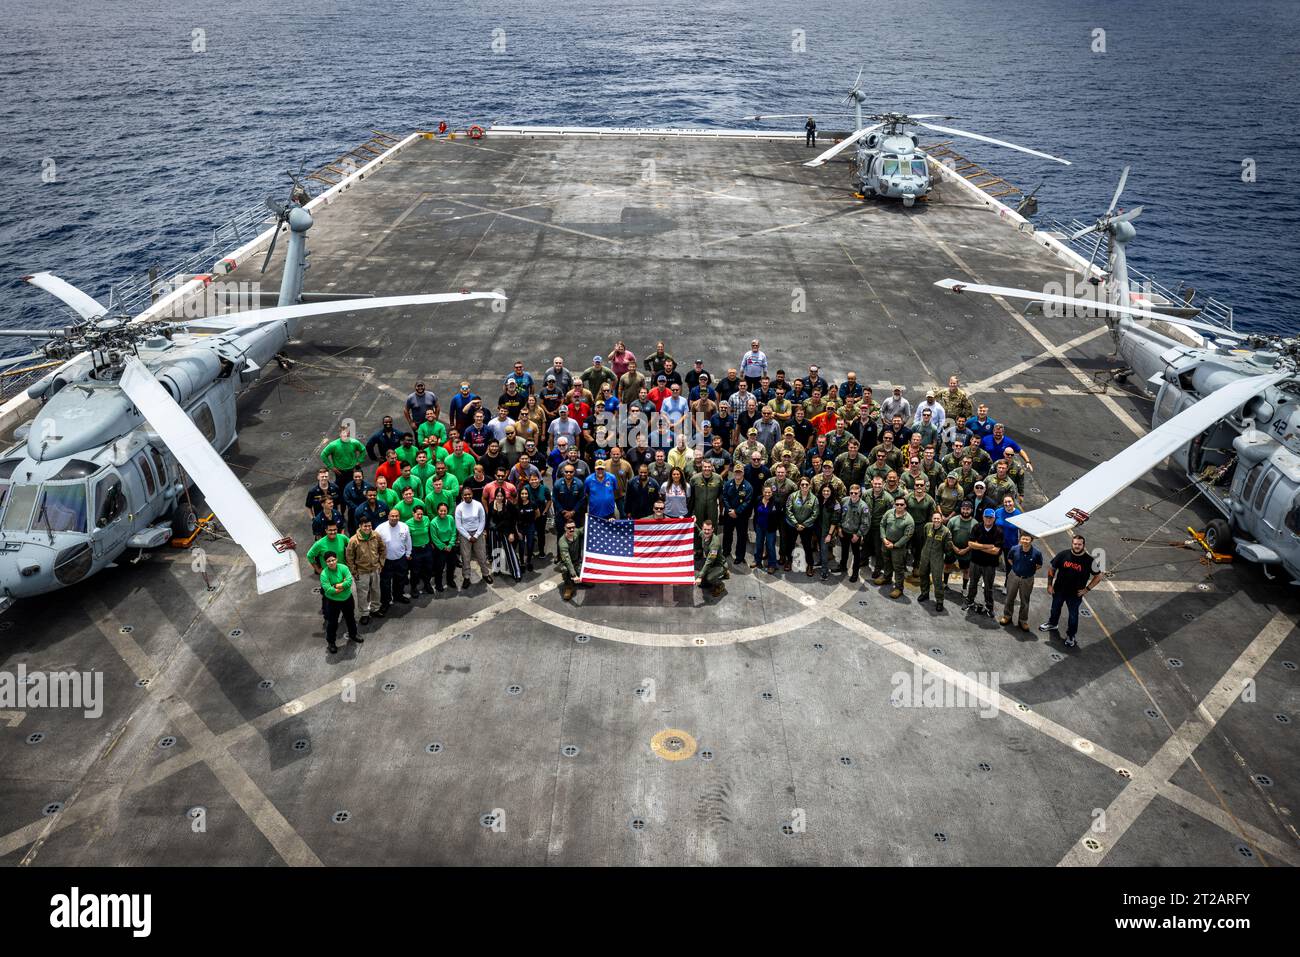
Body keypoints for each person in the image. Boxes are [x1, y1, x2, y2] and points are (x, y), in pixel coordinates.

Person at [1039, 534, 1103, 647]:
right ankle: (1053, 624)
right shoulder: (1063, 554)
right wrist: (1049, 585)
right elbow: (1052, 568)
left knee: (1073, 616)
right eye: (1075, 544)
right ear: (1072, 544)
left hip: (1075, 595)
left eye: (1079, 544)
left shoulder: (1089, 560)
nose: (1077, 546)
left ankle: (1071, 635)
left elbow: (1098, 576)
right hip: (1059, 590)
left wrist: (1087, 589)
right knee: (1055, 609)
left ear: (1083, 545)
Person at [345, 518, 385, 624]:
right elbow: (349, 557)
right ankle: (364, 613)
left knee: (376, 590)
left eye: (369, 526)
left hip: (375, 569)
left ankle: (375, 609)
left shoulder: (376, 536)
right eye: (365, 526)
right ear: (360, 526)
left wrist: (381, 563)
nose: (368, 528)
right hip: (361, 572)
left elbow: (382, 549)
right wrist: (354, 572)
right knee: (363, 593)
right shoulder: (354, 540)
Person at [1000, 532, 1043, 631]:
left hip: (1027, 579)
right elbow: (1010, 559)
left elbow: (1039, 565)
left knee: (1025, 600)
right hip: (1014, 576)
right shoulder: (1014, 549)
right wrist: (1017, 568)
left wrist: (1027, 571)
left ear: (1031, 540)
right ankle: (1007, 616)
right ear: (1020, 539)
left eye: (1027, 539)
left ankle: (1023, 620)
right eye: (1023, 539)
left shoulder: (1037, 553)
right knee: (1010, 597)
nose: (1025, 541)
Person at [964, 509, 1003, 616]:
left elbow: (996, 551)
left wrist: (978, 546)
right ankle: (970, 601)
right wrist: (988, 546)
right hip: (975, 562)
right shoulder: (977, 527)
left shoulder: (998, 531)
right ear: (983, 517)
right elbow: (970, 544)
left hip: (990, 565)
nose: (988, 519)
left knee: (988, 588)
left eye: (991, 517)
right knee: (972, 584)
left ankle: (989, 606)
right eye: (986, 517)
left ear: (994, 518)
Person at [455, 485, 493, 588]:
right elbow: (458, 525)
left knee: (481, 555)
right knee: (465, 557)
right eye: (465, 494)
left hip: (478, 534)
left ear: (472, 494)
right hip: (465, 535)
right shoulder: (459, 508)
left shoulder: (478, 505)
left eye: (469, 494)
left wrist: (476, 535)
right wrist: (468, 537)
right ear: (462, 496)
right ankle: (466, 577)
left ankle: (485, 574)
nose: (467, 496)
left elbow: (482, 521)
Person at [376, 508, 412, 611]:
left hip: (400, 559)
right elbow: (376, 545)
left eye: (396, 516)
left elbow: (408, 540)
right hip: (386, 561)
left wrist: (408, 553)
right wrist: (378, 560)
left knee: (400, 580)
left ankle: (398, 596)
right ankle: (385, 602)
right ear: (388, 516)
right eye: (392, 516)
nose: (394, 518)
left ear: (399, 517)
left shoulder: (404, 526)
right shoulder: (380, 528)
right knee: (385, 583)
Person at [878, 497, 915, 599]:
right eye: (897, 504)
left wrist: (894, 545)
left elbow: (907, 536)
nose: (899, 506)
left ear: (905, 505)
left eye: (901, 505)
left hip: (898, 547)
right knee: (886, 561)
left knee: (898, 568)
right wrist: (884, 538)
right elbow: (882, 524)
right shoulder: (889, 513)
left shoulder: (909, 520)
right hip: (886, 542)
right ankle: (887, 578)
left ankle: (899, 588)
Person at [320, 554, 358, 654]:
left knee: (350, 618)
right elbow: (328, 590)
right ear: (326, 562)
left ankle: (353, 634)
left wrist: (336, 585)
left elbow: (349, 582)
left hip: (347, 599)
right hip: (333, 602)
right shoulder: (324, 574)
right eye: (328, 561)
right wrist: (343, 585)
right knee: (332, 622)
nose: (331, 562)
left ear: (336, 559)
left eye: (333, 560)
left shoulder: (344, 568)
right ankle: (331, 642)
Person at [916, 511, 954, 609]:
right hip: (925, 555)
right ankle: (924, 593)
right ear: (932, 519)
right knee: (923, 574)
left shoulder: (946, 532)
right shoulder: (927, 526)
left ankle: (939, 601)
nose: (936, 520)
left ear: (941, 519)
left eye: (938, 518)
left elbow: (947, 548)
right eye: (934, 518)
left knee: (937, 579)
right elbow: (924, 538)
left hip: (937, 557)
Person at [785, 477, 820, 577]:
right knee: (790, 544)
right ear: (799, 485)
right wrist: (796, 524)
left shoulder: (814, 499)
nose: (804, 486)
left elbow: (815, 514)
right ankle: (789, 561)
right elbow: (788, 510)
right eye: (802, 484)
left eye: (806, 484)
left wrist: (804, 525)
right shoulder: (793, 496)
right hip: (793, 525)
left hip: (806, 527)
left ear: (810, 485)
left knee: (807, 546)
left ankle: (810, 565)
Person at [487, 487, 523, 582]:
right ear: (495, 496)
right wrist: (486, 531)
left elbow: (513, 519)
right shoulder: (491, 505)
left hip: (506, 531)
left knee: (510, 552)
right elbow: (489, 519)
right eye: (498, 496)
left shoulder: (509, 505)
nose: (499, 498)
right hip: (494, 531)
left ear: (504, 496)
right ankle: (497, 569)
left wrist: (512, 533)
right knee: (495, 550)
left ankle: (516, 573)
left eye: (501, 496)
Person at [721, 463, 754, 564]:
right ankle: (726, 551)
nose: (738, 474)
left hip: (741, 516)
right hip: (729, 514)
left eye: (740, 472)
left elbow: (747, 502)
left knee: (741, 536)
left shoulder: (748, 487)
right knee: (727, 534)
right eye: (736, 472)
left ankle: (739, 556)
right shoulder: (728, 484)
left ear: (743, 473)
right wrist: (729, 510)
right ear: (733, 472)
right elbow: (725, 497)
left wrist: (737, 511)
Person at [837, 483, 869, 581]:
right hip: (844, 531)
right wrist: (839, 528)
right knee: (844, 550)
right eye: (851, 493)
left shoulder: (863, 506)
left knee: (856, 554)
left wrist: (858, 534)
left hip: (855, 534)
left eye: (856, 493)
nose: (853, 495)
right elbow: (838, 515)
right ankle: (842, 566)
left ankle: (855, 573)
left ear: (860, 493)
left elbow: (865, 523)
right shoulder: (844, 501)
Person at [946, 500, 977, 597]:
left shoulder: (975, 524)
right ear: (961, 509)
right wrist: (954, 547)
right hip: (952, 548)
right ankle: (945, 583)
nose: (965, 511)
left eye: (967, 509)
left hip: (967, 551)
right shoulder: (952, 521)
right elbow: (947, 536)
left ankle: (964, 588)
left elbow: (975, 541)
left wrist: (966, 549)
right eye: (963, 509)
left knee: (966, 570)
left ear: (971, 510)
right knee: (947, 566)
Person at [321, 427, 367, 492]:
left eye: (348, 434)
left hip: (352, 471)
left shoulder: (354, 442)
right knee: (340, 489)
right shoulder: (333, 445)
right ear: (340, 434)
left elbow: (363, 450)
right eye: (344, 434)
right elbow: (323, 455)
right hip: (340, 472)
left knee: (355, 488)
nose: (346, 435)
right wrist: (331, 467)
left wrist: (359, 461)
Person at [428, 502, 459, 593]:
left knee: (452, 565)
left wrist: (450, 544)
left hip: (450, 545)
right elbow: (434, 538)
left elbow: (454, 532)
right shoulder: (433, 522)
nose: (443, 512)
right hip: (440, 547)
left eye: (445, 511)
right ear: (437, 511)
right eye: (441, 511)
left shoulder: (450, 518)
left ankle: (450, 580)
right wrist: (443, 547)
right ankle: (438, 584)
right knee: (439, 567)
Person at [406, 504, 434, 597]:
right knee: (415, 571)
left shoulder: (426, 519)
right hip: (415, 550)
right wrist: (408, 552)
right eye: (418, 514)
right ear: (413, 513)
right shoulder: (407, 523)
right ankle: (413, 588)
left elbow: (430, 532)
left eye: (421, 514)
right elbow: (406, 539)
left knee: (429, 568)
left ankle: (427, 584)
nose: (420, 516)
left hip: (426, 548)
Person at [815, 482, 841, 581]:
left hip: (827, 531)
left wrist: (829, 534)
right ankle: (821, 562)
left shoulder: (836, 504)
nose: (825, 492)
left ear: (831, 492)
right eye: (824, 491)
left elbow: (835, 521)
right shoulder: (819, 500)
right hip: (818, 529)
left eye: (828, 491)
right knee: (821, 549)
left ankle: (824, 571)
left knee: (825, 550)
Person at [696, 519, 727, 598]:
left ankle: (720, 585)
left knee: (709, 578)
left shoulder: (714, 544)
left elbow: (709, 561)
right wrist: (694, 523)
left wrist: (700, 577)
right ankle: (724, 573)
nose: (706, 531)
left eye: (709, 530)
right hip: (712, 562)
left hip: (719, 564)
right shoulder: (704, 534)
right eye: (705, 529)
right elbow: (698, 531)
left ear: (713, 529)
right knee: (702, 583)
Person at [515, 485, 542, 572]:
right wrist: (517, 532)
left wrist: (532, 521)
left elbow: (538, 514)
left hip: (530, 527)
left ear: (528, 494)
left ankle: (529, 562)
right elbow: (513, 520)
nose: (524, 495)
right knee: (522, 546)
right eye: (522, 494)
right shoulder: (516, 505)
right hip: (520, 529)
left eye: (526, 493)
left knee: (530, 546)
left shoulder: (533, 504)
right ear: (520, 495)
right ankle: (522, 563)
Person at [557, 519, 584, 601]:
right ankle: (569, 587)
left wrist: (588, 519)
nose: (572, 529)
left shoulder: (576, 532)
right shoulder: (562, 542)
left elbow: (585, 529)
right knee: (565, 570)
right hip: (567, 563)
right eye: (569, 528)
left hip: (577, 561)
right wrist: (573, 575)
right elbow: (567, 560)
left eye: (573, 527)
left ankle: (582, 578)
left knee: (585, 571)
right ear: (565, 528)